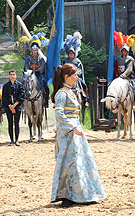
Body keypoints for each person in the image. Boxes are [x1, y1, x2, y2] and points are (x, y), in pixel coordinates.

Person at [51, 63, 106, 207]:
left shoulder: (70, 92)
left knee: (81, 162)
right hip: (68, 134)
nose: (76, 78)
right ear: (66, 77)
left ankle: (84, 194)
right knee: (70, 164)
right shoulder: (61, 94)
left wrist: (76, 127)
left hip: (75, 132)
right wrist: (72, 127)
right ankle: (67, 197)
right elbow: (59, 114)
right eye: (74, 75)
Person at [62, 32, 88, 105]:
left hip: (75, 77)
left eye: (72, 53)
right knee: (59, 84)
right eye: (70, 53)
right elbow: (62, 70)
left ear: (74, 53)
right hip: (66, 78)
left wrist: (75, 74)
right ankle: (57, 100)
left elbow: (80, 70)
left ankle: (85, 99)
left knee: (83, 85)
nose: (71, 54)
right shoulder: (65, 61)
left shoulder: (78, 61)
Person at [1, 70, 25, 146]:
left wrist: (14, 106)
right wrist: (10, 106)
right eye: (11, 74)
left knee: (16, 124)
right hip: (8, 107)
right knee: (10, 124)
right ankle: (11, 140)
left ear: (16, 75)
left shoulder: (20, 85)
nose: (12, 76)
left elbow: (21, 96)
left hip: (17, 107)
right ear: (9, 76)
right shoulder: (5, 86)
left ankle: (17, 140)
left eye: (13, 74)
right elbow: (4, 98)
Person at [25, 42, 49, 108]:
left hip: (39, 75)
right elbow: (26, 67)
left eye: (36, 50)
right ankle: (23, 101)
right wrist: (30, 72)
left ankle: (45, 101)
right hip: (30, 75)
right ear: (31, 51)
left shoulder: (41, 59)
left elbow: (42, 67)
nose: (34, 52)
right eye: (33, 50)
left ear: (37, 50)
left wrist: (37, 71)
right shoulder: (28, 59)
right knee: (24, 84)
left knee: (45, 86)